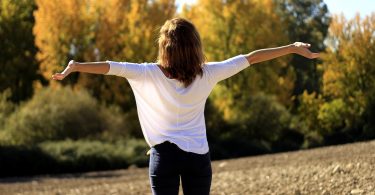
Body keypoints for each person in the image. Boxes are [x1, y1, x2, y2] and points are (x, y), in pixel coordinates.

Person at [52, 18, 319, 195]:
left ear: (164, 48)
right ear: (195, 47)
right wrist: (292, 48)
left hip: (164, 158)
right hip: (198, 157)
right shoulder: (209, 73)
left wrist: (76, 67)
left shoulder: (147, 73)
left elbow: (110, 67)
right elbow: (251, 58)